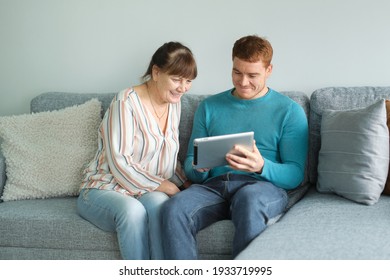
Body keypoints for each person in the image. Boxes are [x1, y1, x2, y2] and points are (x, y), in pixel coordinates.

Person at [161, 35, 308, 259]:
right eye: (237, 72)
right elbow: (190, 165)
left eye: (253, 75)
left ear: (269, 70)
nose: (243, 82)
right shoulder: (209, 107)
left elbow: (295, 175)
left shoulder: (289, 111)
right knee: (174, 209)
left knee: (249, 200)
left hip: (261, 187)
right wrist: (199, 167)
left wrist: (261, 166)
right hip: (214, 187)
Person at [77, 41, 197, 260]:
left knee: (161, 206)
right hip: (103, 188)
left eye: (188, 81)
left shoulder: (174, 103)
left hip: (144, 190)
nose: (183, 87)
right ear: (156, 72)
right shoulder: (125, 102)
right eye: (177, 79)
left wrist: (187, 183)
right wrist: (165, 186)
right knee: (133, 212)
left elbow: (165, 157)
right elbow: (119, 161)